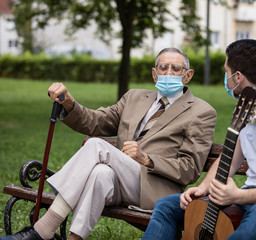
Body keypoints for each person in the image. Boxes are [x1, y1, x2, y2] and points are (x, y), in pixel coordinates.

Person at [0, 48, 217, 240]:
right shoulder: (134, 97)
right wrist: (69, 102)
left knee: (96, 146)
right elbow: (97, 122)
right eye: (163, 67)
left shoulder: (201, 112)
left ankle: (41, 231)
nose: (168, 73)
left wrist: (147, 159)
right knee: (100, 173)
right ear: (154, 73)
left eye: (176, 68)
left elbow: (190, 169)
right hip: (120, 181)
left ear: (187, 75)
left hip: (156, 190)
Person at [142, 39, 256, 240]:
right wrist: (202, 188)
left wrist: (239, 196)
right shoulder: (245, 109)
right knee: (168, 205)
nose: (226, 78)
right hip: (248, 197)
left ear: (238, 77)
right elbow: (230, 157)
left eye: (227, 72)